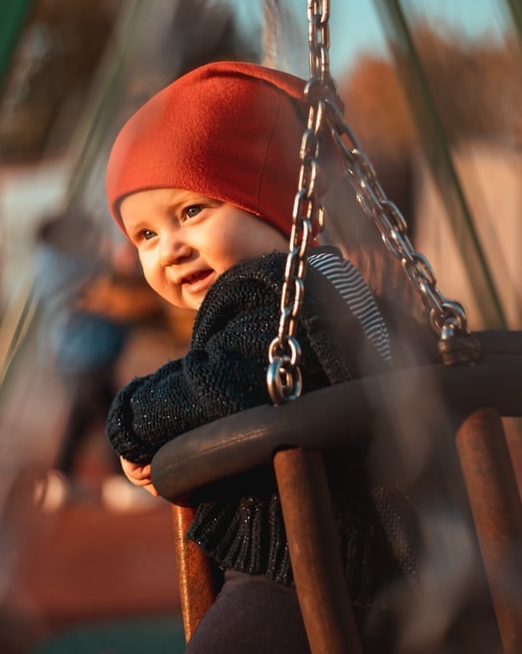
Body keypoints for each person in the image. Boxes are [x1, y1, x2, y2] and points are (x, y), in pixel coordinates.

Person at [103, 61, 425, 652]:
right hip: (388, 564)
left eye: (192, 212)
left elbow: (223, 388)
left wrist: (132, 419)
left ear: (271, 199)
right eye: (145, 235)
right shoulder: (342, 286)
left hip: (308, 575)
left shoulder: (267, 293)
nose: (170, 249)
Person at [34, 210, 163, 510]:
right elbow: (105, 295)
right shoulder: (64, 264)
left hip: (83, 355)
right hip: (81, 355)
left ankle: (61, 479)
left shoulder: (66, 262)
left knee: (81, 417)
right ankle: (118, 481)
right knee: (110, 416)